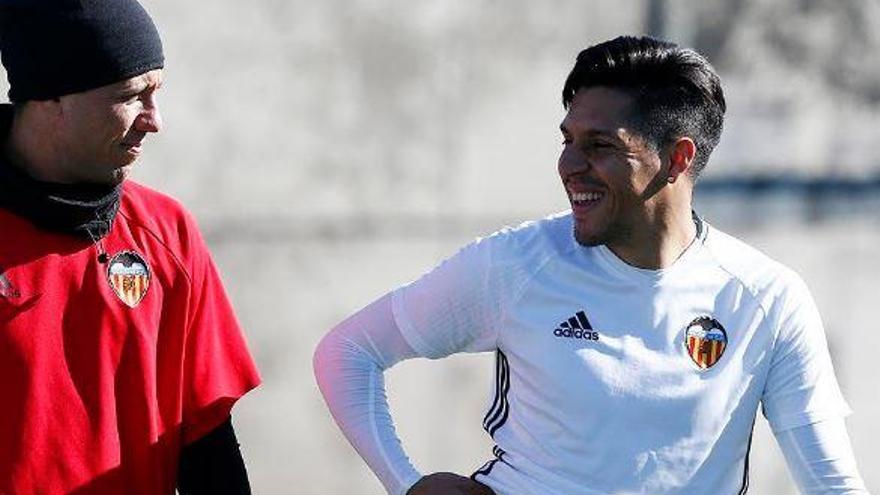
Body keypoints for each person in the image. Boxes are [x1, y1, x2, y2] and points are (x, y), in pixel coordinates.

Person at [314, 36, 870, 494]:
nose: (569, 165)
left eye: (600, 146)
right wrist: (405, 483)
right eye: (568, 139)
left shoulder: (766, 295)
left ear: (677, 158)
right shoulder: (516, 264)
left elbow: (830, 482)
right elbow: (347, 351)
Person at [0, 1, 260, 493]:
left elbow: (207, 443)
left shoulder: (168, 230)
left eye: (156, 92)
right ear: (52, 98)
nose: (154, 120)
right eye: (132, 95)